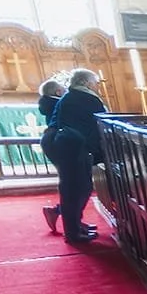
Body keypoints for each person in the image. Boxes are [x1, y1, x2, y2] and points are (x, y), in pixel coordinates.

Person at [47, 68, 107, 245]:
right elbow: (102, 121)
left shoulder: (72, 96)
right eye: (94, 83)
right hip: (72, 147)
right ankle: (72, 233)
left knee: (81, 187)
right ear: (86, 83)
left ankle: (75, 225)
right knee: (74, 190)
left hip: (69, 145)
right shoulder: (85, 98)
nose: (96, 86)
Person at [36, 77, 66, 233]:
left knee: (72, 184)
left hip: (54, 142)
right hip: (59, 143)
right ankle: (57, 212)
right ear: (58, 91)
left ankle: (65, 216)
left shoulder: (48, 103)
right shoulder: (59, 103)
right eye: (63, 89)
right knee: (74, 184)